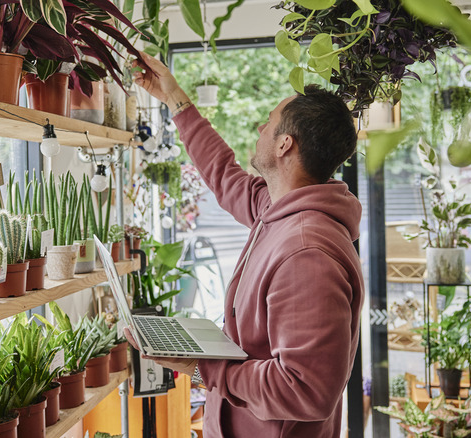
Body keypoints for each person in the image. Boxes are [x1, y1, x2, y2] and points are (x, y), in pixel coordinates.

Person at [125, 52, 364, 438]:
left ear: (285, 144)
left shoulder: (307, 253)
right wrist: (173, 99)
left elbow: (305, 390)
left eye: (266, 124)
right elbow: (223, 174)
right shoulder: (277, 208)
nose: (258, 128)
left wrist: (203, 366)